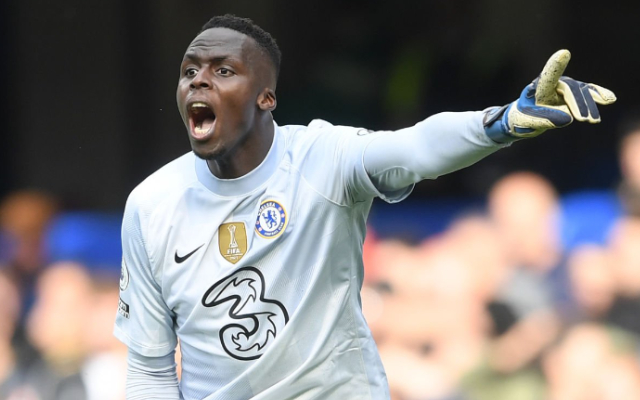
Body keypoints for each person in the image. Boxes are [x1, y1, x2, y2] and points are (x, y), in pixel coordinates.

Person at [113, 14, 616, 399]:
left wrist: (500, 123)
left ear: (266, 97)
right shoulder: (151, 205)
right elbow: (150, 369)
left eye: (222, 70)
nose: (198, 82)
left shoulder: (322, 158)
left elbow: (415, 147)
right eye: (189, 71)